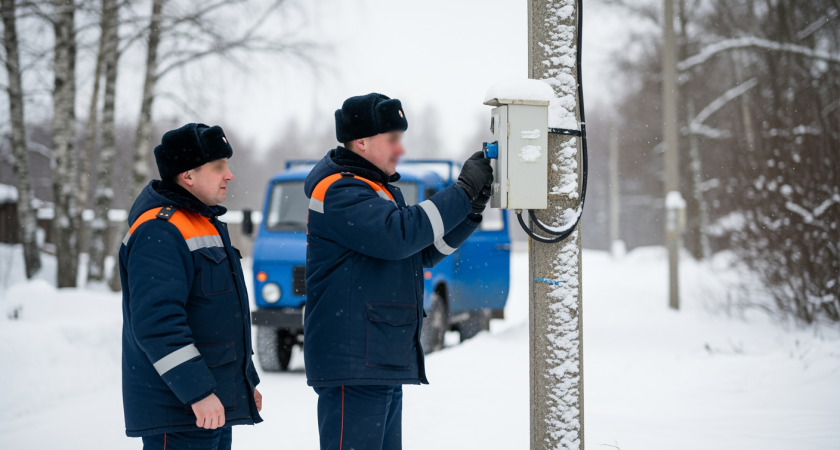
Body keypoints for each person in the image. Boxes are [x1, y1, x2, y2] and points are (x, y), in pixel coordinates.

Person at [303, 93, 494, 450]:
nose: (400, 149)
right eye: (392, 139)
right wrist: (462, 191)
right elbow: (399, 235)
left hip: (377, 359)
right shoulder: (340, 189)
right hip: (355, 362)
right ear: (361, 141)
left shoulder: (375, 189)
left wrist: (469, 211)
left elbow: (417, 252)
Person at [119, 123, 263, 449]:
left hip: (211, 406)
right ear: (187, 175)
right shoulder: (160, 230)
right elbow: (157, 324)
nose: (229, 175)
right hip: (181, 410)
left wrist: (244, 383)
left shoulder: (203, 222)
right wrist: (197, 390)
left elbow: (220, 318)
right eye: (218, 166)